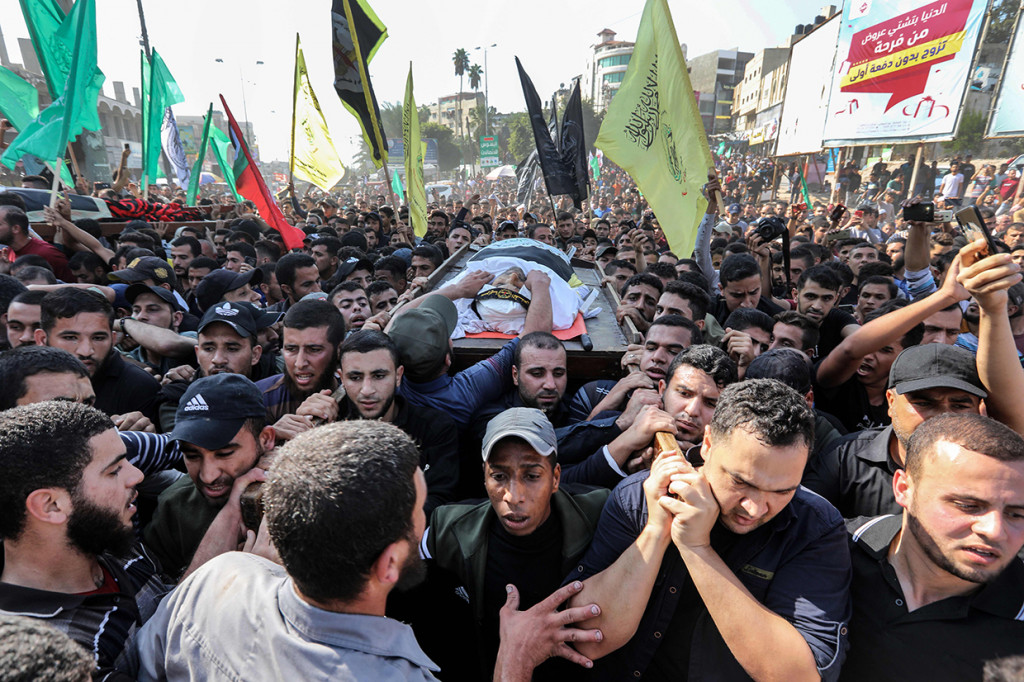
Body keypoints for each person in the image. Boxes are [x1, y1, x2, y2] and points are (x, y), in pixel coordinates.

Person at [132, 420, 603, 681]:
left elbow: (133, 665)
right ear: (389, 563)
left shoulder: (219, 578)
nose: (428, 522)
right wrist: (515, 658)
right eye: (418, 511)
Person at [568, 379, 851, 680]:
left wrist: (696, 548)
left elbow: (798, 676)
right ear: (708, 444)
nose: (755, 508)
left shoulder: (815, 529)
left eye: (783, 491)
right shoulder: (638, 497)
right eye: (740, 482)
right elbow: (588, 641)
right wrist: (656, 531)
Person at [421, 408, 610, 680]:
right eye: (499, 476)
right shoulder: (448, 530)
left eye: (531, 476)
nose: (514, 496)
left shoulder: (598, 514)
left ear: (555, 478)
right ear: (484, 477)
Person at [840, 413, 1024, 680]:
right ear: (903, 488)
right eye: (968, 506)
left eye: (1016, 514)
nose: (994, 530)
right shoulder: (828, 551)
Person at [0, 402, 166, 678]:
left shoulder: (101, 533)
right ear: (51, 505)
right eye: (114, 470)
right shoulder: (48, 657)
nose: (137, 475)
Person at [144, 375, 273, 582]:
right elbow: (164, 597)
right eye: (192, 456)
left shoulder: (302, 495)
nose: (208, 476)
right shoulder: (174, 507)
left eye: (224, 454)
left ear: (266, 439)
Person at [36, 288, 161, 428]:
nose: (86, 351)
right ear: (42, 339)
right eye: (70, 338)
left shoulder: (138, 385)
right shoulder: (23, 379)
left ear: (113, 339)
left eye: (98, 338)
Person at [256, 298, 345, 439]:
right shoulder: (258, 399)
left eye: (314, 350)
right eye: (291, 349)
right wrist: (271, 437)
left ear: (338, 350)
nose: (299, 363)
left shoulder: (358, 398)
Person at [0, 206, 74, 281]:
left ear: (16, 229)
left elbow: (72, 284)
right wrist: (4, 273)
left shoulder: (48, 254)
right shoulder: (7, 252)